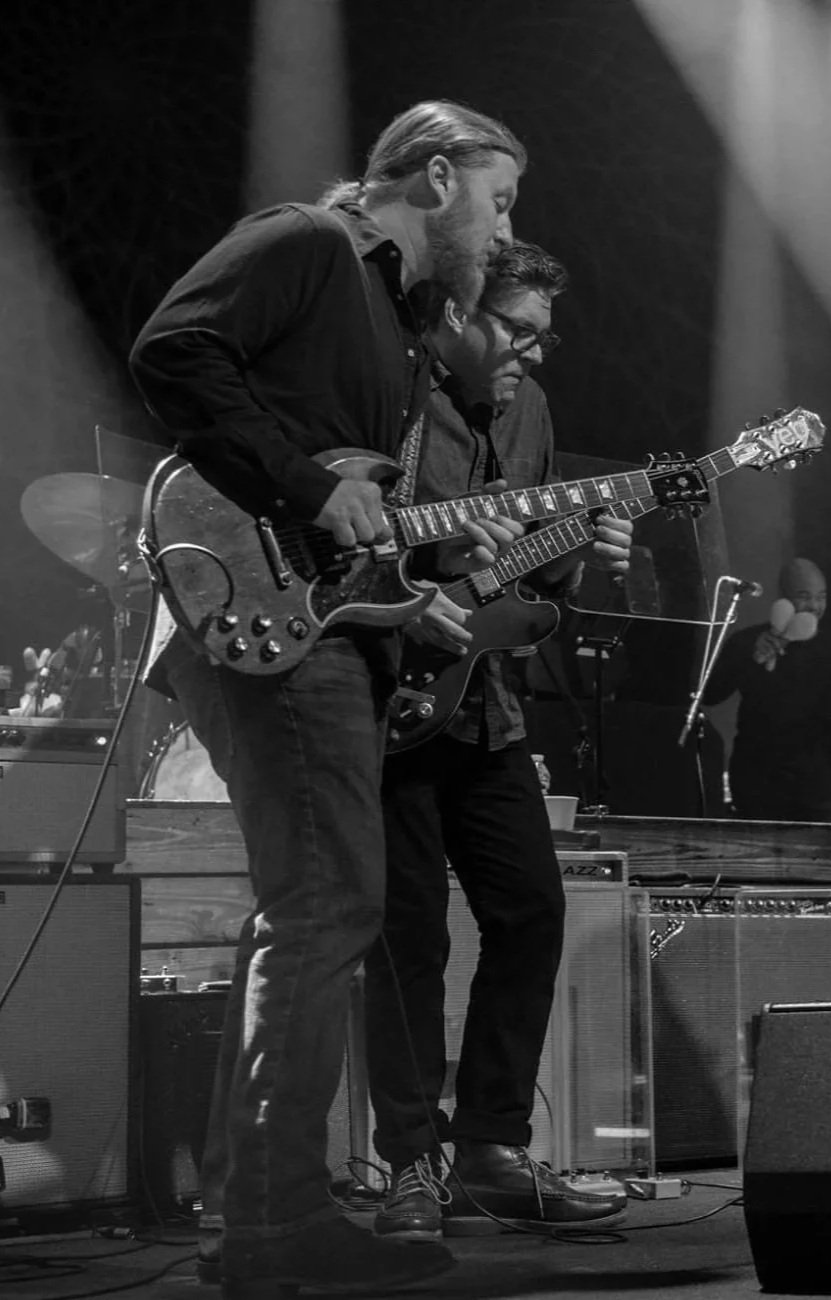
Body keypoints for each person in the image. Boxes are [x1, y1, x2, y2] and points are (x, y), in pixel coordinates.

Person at [129, 100, 531, 1292]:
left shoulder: (404, 327)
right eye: (502, 200)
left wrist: (432, 573)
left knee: (313, 908)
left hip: (324, 621)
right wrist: (304, 482)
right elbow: (172, 350)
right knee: (326, 907)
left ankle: (256, 1216)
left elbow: (370, 512)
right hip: (261, 619)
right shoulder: (306, 241)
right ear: (440, 175)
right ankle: (268, 1223)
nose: (505, 230)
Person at [364, 240, 632, 1240]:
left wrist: (585, 551)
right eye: (516, 329)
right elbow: (339, 542)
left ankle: (489, 1149)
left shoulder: (532, 414)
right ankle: (408, 1163)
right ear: (456, 319)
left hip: (485, 704)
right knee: (407, 939)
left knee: (530, 911)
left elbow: (530, 585)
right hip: (387, 694)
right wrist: (432, 559)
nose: (534, 352)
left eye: (541, 335)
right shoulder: (385, 392)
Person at [702, 557, 831, 823]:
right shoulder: (747, 641)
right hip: (755, 774)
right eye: (804, 596)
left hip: (813, 777)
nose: (815, 606)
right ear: (783, 599)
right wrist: (749, 661)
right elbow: (711, 695)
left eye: (821, 597)